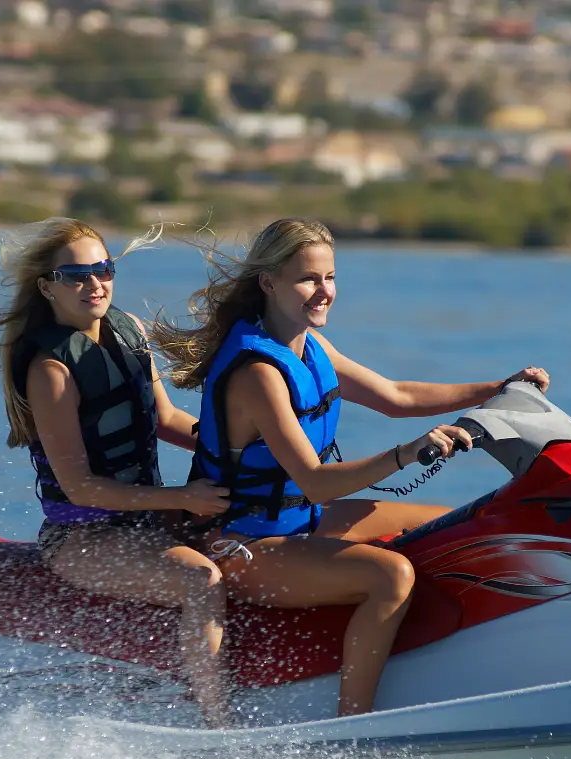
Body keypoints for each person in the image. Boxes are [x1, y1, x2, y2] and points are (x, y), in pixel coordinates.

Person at [151, 217, 549, 717]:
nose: (324, 292)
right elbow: (314, 483)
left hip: (298, 521)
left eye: (330, 278)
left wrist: (497, 388)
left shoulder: (310, 346)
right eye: (308, 279)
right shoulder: (257, 373)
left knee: (454, 525)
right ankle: (353, 724)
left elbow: (397, 396)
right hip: (243, 543)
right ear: (269, 283)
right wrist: (406, 452)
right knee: (390, 576)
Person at [0, 217, 235, 728]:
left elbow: (167, 420)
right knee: (201, 579)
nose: (95, 284)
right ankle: (220, 724)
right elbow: (80, 487)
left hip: (146, 520)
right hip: (82, 538)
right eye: (77, 275)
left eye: (103, 269)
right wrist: (185, 496)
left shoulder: (129, 329)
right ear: (48, 287)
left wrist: (239, 451)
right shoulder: (51, 370)